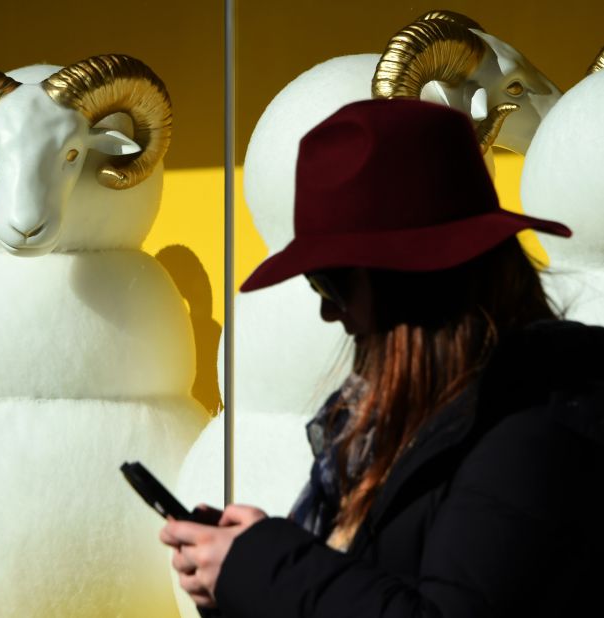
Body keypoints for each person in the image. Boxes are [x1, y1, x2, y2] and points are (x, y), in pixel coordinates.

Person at [160, 98, 604, 617]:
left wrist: (265, 567)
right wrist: (243, 574)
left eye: (331, 282)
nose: (328, 311)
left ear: (414, 283)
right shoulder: (424, 420)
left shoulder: (531, 433)